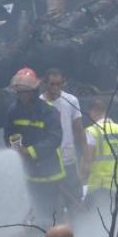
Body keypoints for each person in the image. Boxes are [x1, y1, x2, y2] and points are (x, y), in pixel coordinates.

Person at [4, 67, 65, 224]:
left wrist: (30, 151)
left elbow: (55, 138)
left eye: (25, 91)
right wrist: (13, 148)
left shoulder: (48, 112)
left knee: (50, 214)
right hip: (27, 173)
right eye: (19, 92)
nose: (22, 95)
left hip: (50, 173)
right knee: (31, 213)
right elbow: (8, 135)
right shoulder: (13, 111)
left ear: (33, 91)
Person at [39, 69, 87, 212]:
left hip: (68, 160)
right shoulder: (39, 103)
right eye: (52, 84)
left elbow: (79, 130)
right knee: (50, 202)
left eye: (59, 84)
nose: (56, 88)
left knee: (74, 199)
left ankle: (78, 230)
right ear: (45, 84)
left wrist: (86, 159)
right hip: (47, 161)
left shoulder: (71, 101)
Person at [81, 98, 118, 207]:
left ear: (94, 111)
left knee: (95, 219)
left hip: (97, 187)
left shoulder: (91, 132)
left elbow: (87, 162)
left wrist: (81, 183)